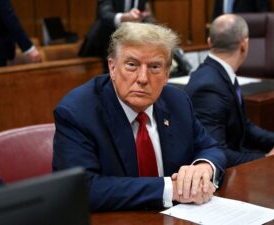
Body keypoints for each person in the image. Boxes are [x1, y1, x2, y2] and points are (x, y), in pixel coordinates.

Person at [53, 22, 226, 211]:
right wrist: (170, 189)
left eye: (154, 67)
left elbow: (210, 147)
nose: (143, 78)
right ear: (112, 68)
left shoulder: (177, 101)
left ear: (167, 74)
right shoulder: (78, 112)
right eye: (131, 65)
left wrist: (203, 167)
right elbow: (82, 189)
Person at [185, 14, 274, 168]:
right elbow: (216, 152)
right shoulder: (209, 87)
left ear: (209, 42)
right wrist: (267, 157)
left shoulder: (220, 73)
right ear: (244, 44)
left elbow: (245, 127)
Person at [78, 0, 154, 72]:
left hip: (132, 40)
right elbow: (105, 14)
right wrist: (125, 17)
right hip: (104, 41)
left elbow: (146, 13)